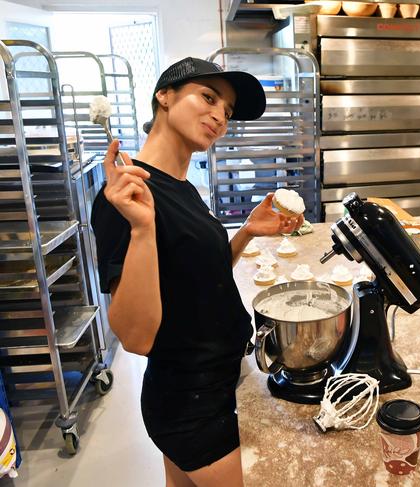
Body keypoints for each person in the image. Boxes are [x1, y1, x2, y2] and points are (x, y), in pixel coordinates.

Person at [91, 57, 303, 487]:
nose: (219, 117)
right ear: (164, 96)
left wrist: (245, 233)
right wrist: (143, 230)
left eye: (226, 112)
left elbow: (197, 281)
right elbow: (135, 336)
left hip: (213, 383)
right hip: (190, 401)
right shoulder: (127, 195)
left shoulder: (182, 189)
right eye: (208, 97)